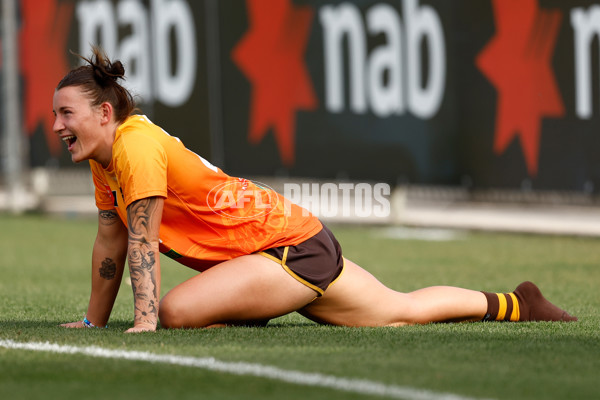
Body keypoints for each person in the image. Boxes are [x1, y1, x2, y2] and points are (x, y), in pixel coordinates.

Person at [56, 47, 577, 333]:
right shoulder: (105, 160)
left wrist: (145, 322)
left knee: (176, 312)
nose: (57, 125)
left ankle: (242, 312)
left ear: (105, 113)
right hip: (286, 245)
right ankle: (516, 304)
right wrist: (92, 321)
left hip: (289, 250)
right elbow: (111, 242)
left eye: (66, 113)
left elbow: (142, 241)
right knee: (399, 311)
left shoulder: (134, 147)